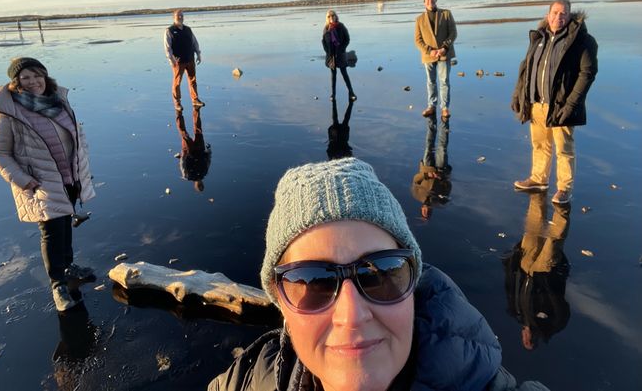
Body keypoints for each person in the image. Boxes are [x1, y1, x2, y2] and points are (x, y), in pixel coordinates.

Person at [209, 158, 549, 391]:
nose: (352, 315)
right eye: (314, 281)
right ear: (280, 300)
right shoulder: (248, 380)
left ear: (412, 283)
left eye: (380, 273)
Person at [0, 57, 96, 312]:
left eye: (37, 75)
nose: (33, 82)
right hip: (39, 182)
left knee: (65, 222)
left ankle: (69, 266)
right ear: (16, 82)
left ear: (45, 76)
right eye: (25, 77)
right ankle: (57, 284)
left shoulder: (58, 101)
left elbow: (76, 136)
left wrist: (82, 166)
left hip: (69, 177)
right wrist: (23, 180)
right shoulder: (8, 112)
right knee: (51, 232)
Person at [511, 0, 598, 204]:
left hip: (560, 105)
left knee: (564, 148)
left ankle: (564, 188)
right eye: (555, 12)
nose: (559, 17)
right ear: (548, 14)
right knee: (540, 144)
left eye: (564, 14)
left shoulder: (581, 40)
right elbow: (526, 68)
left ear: (569, 17)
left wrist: (571, 105)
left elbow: (587, 73)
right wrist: (519, 95)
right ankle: (538, 179)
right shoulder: (539, 37)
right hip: (536, 102)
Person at [502, 192, 571, 351]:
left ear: (522, 336)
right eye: (531, 342)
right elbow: (562, 310)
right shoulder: (550, 325)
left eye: (526, 341)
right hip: (543, 273)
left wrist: (510, 262)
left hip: (524, 265)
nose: (529, 339)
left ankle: (538, 191)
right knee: (554, 241)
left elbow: (510, 286)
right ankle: (563, 207)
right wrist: (551, 285)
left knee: (533, 226)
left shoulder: (516, 313)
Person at [414, 0, 457, 119]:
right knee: (431, 81)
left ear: (436, 0)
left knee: (444, 81)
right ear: (424, 2)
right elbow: (418, 40)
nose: (430, 1)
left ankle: (444, 108)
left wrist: (445, 47)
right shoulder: (419, 19)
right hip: (428, 55)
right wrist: (429, 50)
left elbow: (453, 33)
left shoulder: (446, 14)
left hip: (444, 54)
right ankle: (431, 106)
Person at [411, 117, 452, 220]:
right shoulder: (439, 201)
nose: (427, 210)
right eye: (428, 213)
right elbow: (448, 186)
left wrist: (427, 175)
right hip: (440, 170)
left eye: (425, 212)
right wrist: (441, 178)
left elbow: (415, 179)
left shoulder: (417, 196)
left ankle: (431, 119)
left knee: (429, 146)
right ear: (432, 211)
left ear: (421, 209)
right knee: (442, 147)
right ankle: (444, 121)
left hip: (426, 168)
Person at [164, 9, 204, 111]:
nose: (180, 17)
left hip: (190, 59)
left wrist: (198, 54)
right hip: (178, 62)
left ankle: (195, 99)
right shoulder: (169, 31)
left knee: (193, 80)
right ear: (174, 17)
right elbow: (167, 48)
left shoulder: (188, 29)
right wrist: (171, 60)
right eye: (178, 16)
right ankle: (177, 103)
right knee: (177, 83)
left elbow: (194, 42)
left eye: (182, 15)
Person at [322, 10, 356, 102]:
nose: (331, 17)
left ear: (336, 16)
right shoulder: (326, 28)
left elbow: (347, 39)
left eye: (333, 15)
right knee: (333, 76)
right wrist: (327, 52)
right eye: (329, 16)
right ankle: (333, 94)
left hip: (340, 54)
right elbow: (323, 41)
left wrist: (342, 49)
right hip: (331, 56)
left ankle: (351, 92)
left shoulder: (341, 26)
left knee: (344, 74)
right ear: (327, 18)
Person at [176, 106, 211, 192]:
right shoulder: (204, 173)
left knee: (184, 134)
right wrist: (209, 150)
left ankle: (179, 113)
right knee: (198, 130)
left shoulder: (187, 176)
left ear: (195, 185)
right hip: (200, 150)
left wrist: (183, 156)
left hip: (189, 152)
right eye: (201, 186)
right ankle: (196, 109)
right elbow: (208, 161)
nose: (200, 185)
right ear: (203, 184)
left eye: (199, 186)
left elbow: (182, 166)